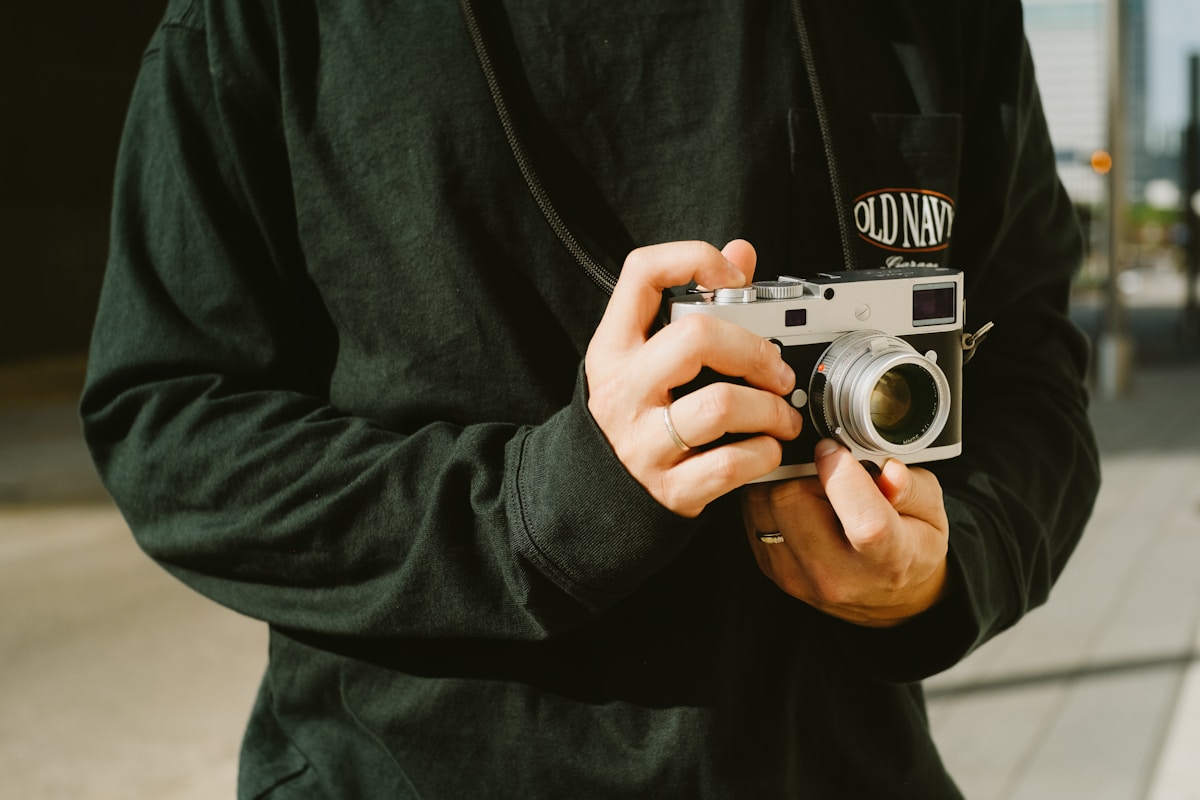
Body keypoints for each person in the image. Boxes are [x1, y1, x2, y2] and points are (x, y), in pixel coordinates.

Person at [81, 0, 1100, 796]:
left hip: (839, 769)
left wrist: (948, 565)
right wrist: (531, 512)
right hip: (403, 773)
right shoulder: (274, 21)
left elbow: (1030, 364)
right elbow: (170, 422)